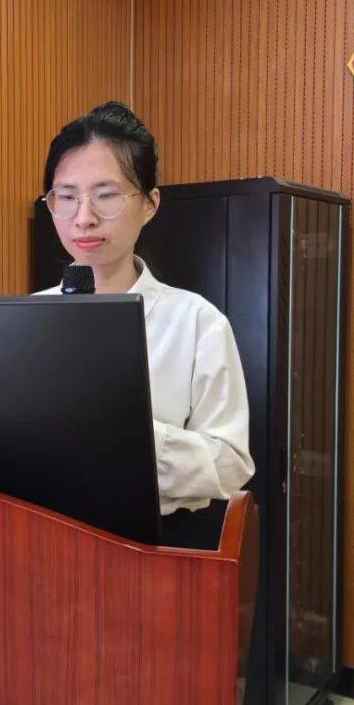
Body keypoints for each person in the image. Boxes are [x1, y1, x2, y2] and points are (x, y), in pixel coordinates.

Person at [35, 102, 254, 514]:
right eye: (66, 197)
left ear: (150, 204)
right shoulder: (24, 319)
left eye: (107, 196)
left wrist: (128, 437)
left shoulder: (197, 322)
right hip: (35, 536)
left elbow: (230, 465)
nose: (84, 218)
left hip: (151, 541)